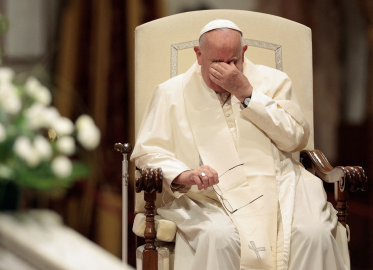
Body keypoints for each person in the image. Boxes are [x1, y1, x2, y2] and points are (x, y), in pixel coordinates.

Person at [130, 19, 350, 270]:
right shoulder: (170, 93)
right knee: (219, 236)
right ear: (199, 55)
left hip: (281, 188)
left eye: (233, 61)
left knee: (313, 233)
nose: (227, 71)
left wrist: (249, 95)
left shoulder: (274, 82)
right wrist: (185, 174)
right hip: (209, 197)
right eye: (217, 63)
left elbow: (294, 139)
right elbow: (150, 152)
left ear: (244, 53)